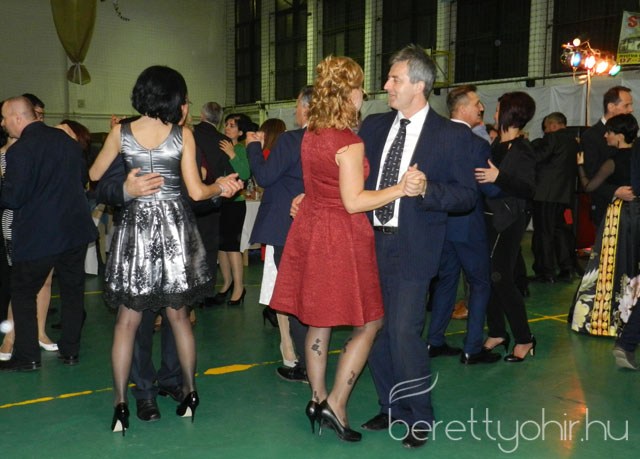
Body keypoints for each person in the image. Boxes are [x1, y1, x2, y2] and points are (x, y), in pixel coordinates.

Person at [270, 55, 426, 443]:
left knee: (319, 319)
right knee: (370, 322)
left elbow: (320, 184)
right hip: (341, 235)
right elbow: (354, 201)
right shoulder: (348, 142)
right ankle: (337, 403)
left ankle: (316, 397)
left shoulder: (312, 134)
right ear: (349, 93)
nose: (365, 93)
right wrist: (399, 189)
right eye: (360, 87)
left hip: (312, 230)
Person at [88, 65, 243, 435]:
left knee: (126, 322)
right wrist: (220, 187)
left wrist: (128, 185)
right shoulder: (182, 135)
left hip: (135, 232)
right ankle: (190, 393)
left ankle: (120, 405)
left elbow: (93, 175)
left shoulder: (120, 132)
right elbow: (197, 192)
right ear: (174, 98)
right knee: (179, 318)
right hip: (174, 231)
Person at [360, 45, 476, 449]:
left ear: (419, 85)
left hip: (413, 246)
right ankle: (389, 405)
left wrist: (428, 188)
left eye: (395, 79)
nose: (387, 85)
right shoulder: (373, 127)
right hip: (368, 242)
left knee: (404, 331)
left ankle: (419, 415)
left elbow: (466, 196)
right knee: (374, 330)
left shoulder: (451, 135)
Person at [0, 96, 96, 372]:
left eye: (4, 118)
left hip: (39, 235)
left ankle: (28, 356)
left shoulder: (19, 151)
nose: (3, 124)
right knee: (73, 291)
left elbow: (14, 198)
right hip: (75, 231)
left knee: (22, 293)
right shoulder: (67, 141)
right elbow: (82, 178)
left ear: (18, 118)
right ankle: (70, 351)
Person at [426, 85, 501, 365]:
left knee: (446, 281)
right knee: (480, 283)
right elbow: (487, 186)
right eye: (477, 103)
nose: (481, 108)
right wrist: (505, 181)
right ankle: (472, 347)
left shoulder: (432, 138)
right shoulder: (475, 144)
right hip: (468, 223)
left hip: (439, 222)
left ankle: (434, 340)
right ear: (462, 108)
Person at [246, 86, 312, 382]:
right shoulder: (333, 141)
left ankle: (304, 363)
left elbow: (264, 176)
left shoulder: (292, 140)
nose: (295, 110)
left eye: (297, 104)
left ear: (307, 108)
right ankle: (308, 359)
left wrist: (253, 148)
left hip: (286, 226)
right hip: (316, 226)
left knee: (291, 295)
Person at [475, 91, 537, 363]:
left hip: (508, 220)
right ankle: (498, 331)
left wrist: (499, 177)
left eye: (499, 109)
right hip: (489, 218)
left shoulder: (522, 150)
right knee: (488, 276)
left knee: (501, 277)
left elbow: (528, 188)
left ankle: (524, 338)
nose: (495, 113)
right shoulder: (497, 144)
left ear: (510, 113)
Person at [570, 113, 640, 340]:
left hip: (620, 218)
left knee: (610, 265)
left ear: (619, 136)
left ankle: (609, 318)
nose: (606, 135)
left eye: (609, 132)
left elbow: (589, 187)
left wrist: (580, 166)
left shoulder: (613, 161)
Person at [530, 112, 579, 283]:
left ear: (552, 125)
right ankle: (567, 268)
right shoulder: (574, 142)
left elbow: (536, 157)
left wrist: (532, 145)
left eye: (546, 128)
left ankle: (546, 272)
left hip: (546, 194)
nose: (545, 131)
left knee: (544, 233)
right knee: (561, 232)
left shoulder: (552, 138)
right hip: (564, 194)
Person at [192, 102, 233, 307]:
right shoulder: (224, 141)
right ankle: (206, 292)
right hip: (213, 197)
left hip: (191, 196)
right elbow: (228, 171)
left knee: (189, 246)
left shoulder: (189, 134)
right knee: (209, 248)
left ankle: (189, 290)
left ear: (201, 114)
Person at [580, 86, 633, 227]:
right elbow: (591, 175)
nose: (631, 110)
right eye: (626, 105)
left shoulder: (628, 131)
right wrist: (615, 191)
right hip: (606, 208)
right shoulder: (592, 136)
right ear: (611, 107)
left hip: (632, 210)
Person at [214, 113, 252, 305]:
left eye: (232, 125)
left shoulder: (240, 149)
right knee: (221, 246)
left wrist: (232, 154)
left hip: (235, 203)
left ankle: (239, 287)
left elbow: (244, 173)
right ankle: (227, 283)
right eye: (226, 124)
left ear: (241, 132)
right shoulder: (221, 147)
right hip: (220, 201)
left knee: (232, 246)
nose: (227, 128)